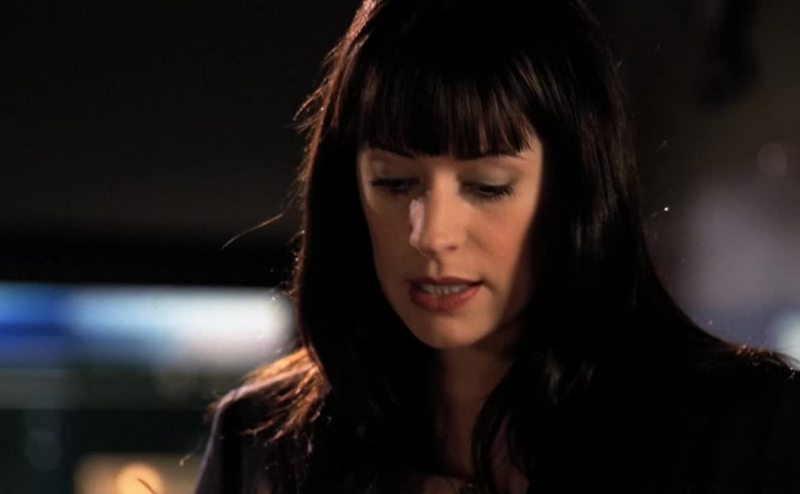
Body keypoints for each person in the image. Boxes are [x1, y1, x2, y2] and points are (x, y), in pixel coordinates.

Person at [195, 0, 800, 492]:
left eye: (487, 187)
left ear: (574, 190)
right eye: (394, 183)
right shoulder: (261, 444)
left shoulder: (745, 433)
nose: (431, 235)